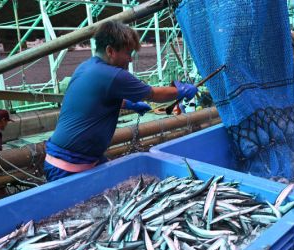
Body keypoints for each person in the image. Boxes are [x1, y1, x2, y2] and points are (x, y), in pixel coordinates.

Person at [44, 21, 198, 182]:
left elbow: (96, 100)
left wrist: (128, 104)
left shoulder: (86, 67)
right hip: (68, 166)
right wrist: (181, 90)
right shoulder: (113, 75)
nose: (130, 59)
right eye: (127, 53)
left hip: (74, 159)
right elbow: (153, 94)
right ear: (110, 51)